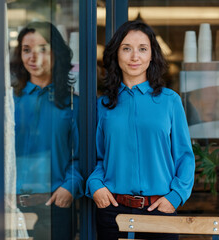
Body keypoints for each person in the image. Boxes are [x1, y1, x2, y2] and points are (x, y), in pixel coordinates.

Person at [86, 20, 195, 240]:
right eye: (126, 48)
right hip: (113, 211)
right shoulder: (103, 105)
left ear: (152, 55)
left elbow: (184, 156)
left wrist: (175, 197)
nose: (135, 57)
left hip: (160, 210)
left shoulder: (170, 101)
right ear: (116, 54)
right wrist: (95, 185)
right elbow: (98, 157)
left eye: (142, 49)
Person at [10, 21, 83, 240]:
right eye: (26, 50)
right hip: (9, 206)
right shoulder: (9, 103)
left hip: (56, 207)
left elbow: (83, 155)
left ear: (56, 53)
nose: (33, 57)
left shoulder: (73, 104)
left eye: (42, 49)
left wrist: (70, 187)